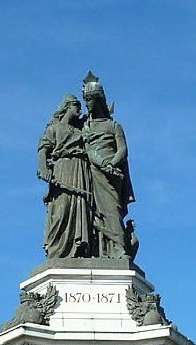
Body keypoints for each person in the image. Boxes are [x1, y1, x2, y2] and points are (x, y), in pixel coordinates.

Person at [81, 73, 135, 259]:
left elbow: (123, 150)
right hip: (91, 172)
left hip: (111, 174)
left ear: (99, 100)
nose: (87, 104)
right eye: (85, 100)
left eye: (90, 100)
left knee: (112, 210)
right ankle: (97, 250)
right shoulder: (85, 126)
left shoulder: (114, 126)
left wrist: (111, 165)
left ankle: (119, 249)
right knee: (92, 211)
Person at [38, 94, 94, 258]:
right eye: (77, 106)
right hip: (63, 168)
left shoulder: (80, 130)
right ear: (68, 106)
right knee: (62, 208)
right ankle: (57, 249)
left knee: (79, 206)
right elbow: (43, 150)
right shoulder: (54, 129)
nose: (79, 110)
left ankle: (78, 247)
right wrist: (44, 169)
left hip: (81, 170)